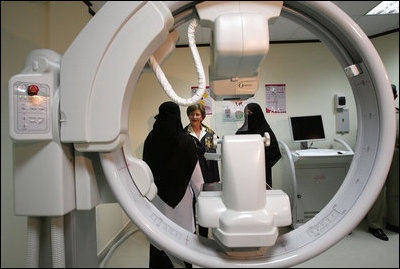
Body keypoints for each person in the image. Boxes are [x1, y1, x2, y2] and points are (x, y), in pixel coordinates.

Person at [143, 101, 203, 268]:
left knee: (159, 245)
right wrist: (203, 203)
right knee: (183, 247)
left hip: (156, 202)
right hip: (182, 204)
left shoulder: (150, 139)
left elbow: (145, 173)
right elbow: (197, 180)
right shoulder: (186, 141)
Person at [367, 84, 398, 241]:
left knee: (395, 191)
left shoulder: (397, 114)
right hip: (378, 155)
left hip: (396, 155)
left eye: (391, 93)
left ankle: (394, 222)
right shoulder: (374, 114)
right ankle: (375, 225)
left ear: (395, 96)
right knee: (377, 191)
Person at [184, 103, 220, 238]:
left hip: (208, 174)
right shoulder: (183, 134)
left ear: (202, 116)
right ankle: (192, 234)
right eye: (192, 114)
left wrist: (216, 178)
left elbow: (214, 157)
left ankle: (204, 235)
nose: (194, 117)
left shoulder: (210, 133)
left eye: (197, 114)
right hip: (191, 175)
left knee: (206, 205)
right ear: (188, 115)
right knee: (191, 205)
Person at [235, 103, 282, 189]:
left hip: (262, 172)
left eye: (250, 113)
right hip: (244, 171)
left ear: (258, 114)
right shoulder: (241, 132)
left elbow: (275, 153)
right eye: (246, 113)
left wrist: (259, 161)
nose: (248, 115)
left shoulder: (266, 132)